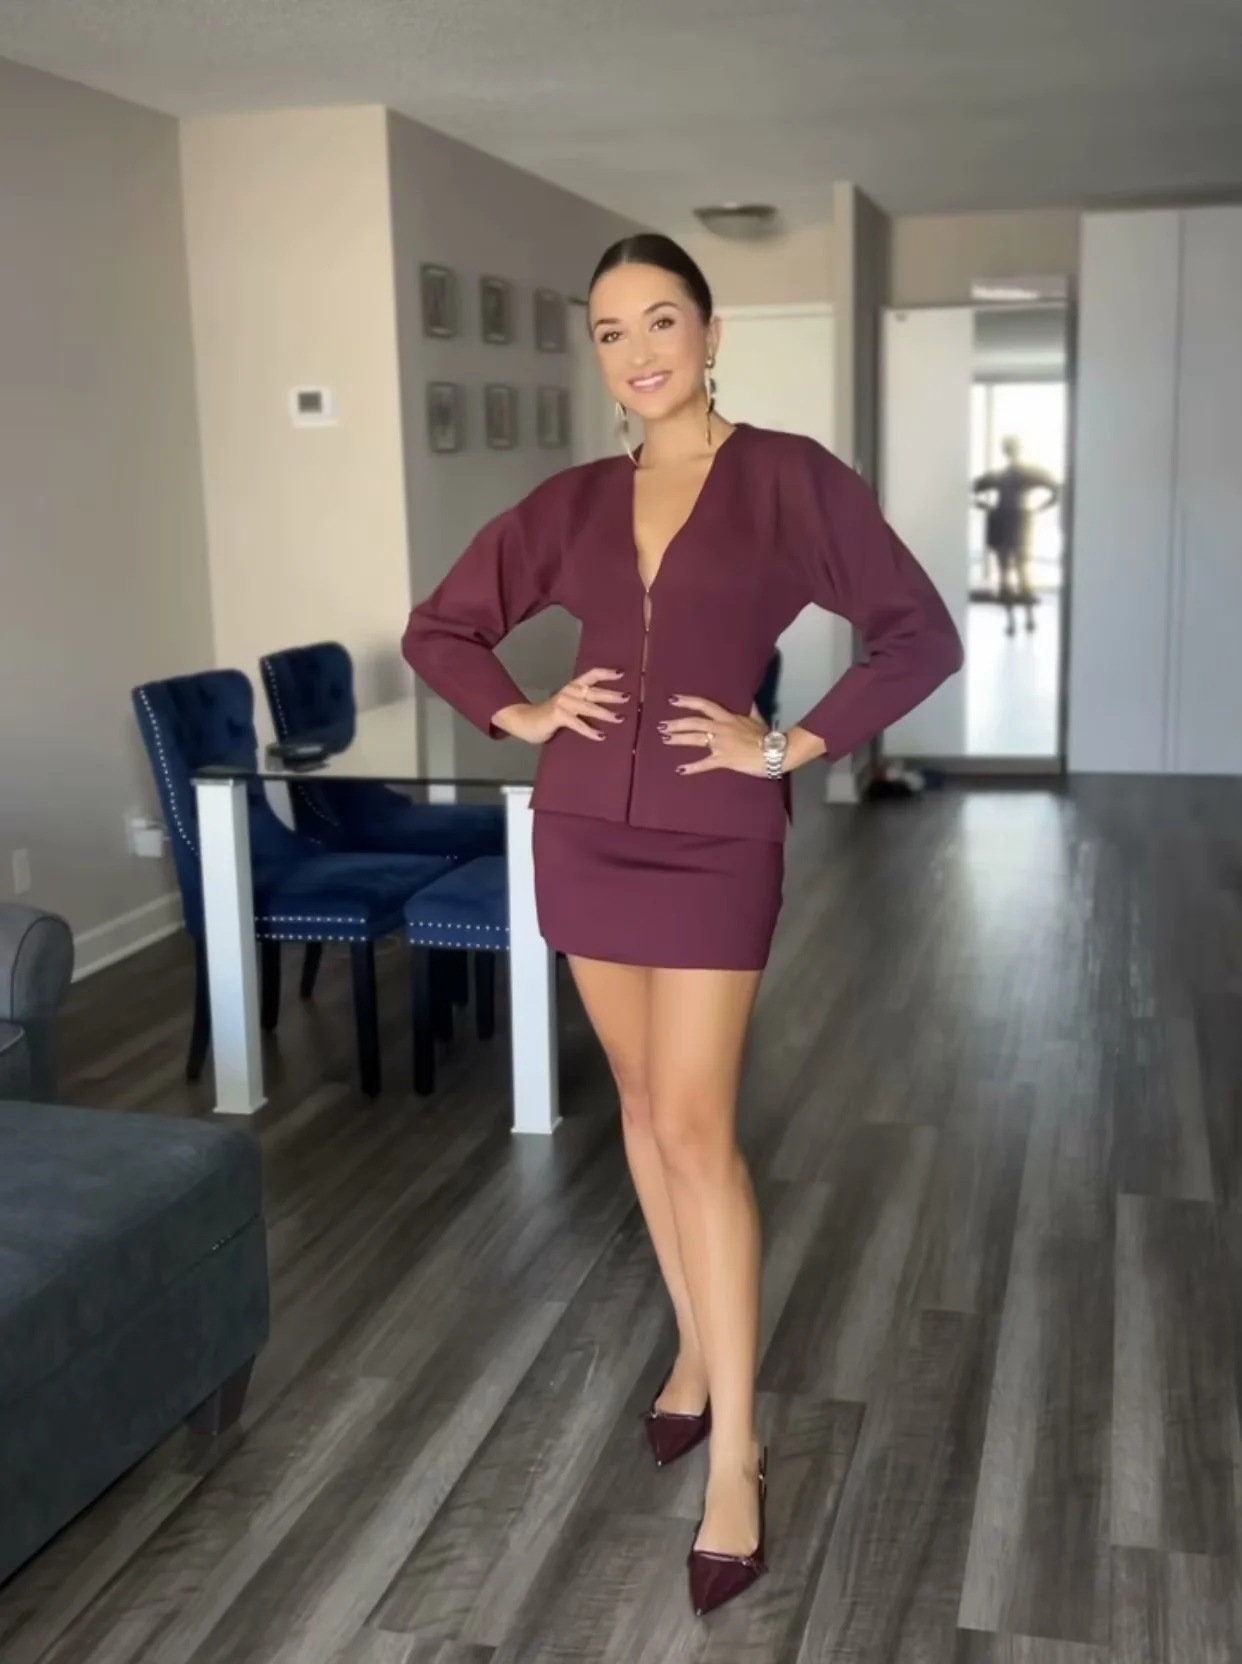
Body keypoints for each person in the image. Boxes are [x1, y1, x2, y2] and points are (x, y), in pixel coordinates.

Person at [402, 233, 962, 1617]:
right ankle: (699, 1354)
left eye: (661, 320)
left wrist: (790, 742)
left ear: (711, 334)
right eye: (610, 331)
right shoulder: (574, 501)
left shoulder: (788, 479)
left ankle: (739, 1453)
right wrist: (523, 711)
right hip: (583, 827)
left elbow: (918, 632)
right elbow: (440, 629)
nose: (638, 350)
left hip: (717, 836)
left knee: (699, 1123)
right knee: (646, 1110)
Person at [972, 435, 1061, 635]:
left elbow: (972, 489)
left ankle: (1012, 622)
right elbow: (1055, 489)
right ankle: (1028, 619)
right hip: (1018, 522)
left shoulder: (1000, 475)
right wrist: (1037, 509)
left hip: (1003, 522)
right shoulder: (1025, 473)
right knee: (1021, 572)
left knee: (1007, 572)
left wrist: (986, 506)